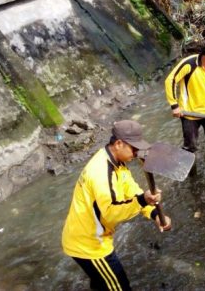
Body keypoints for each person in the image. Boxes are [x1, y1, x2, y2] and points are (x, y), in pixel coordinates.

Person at [62, 120, 171, 291]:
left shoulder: (114, 161)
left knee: (102, 282)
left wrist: (154, 214)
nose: (136, 154)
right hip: (90, 243)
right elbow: (112, 213)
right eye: (134, 149)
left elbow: (131, 190)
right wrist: (143, 200)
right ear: (119, 144)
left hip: (87, 234)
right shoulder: (101, 173)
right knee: (119, 286)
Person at [165, 37, 205, 171]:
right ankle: (191, 176)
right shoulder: (189, 64)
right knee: (190, 147)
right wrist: (174, 106)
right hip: (190, 114)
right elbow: (170, 80)